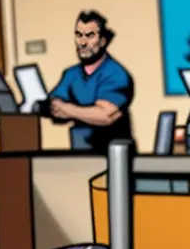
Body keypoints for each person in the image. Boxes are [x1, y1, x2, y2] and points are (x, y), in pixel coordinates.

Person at [47, 11, 134, 152]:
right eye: (79, 35)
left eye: (90, 35)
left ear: (103, 41)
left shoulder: (116, 74)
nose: (82, 42)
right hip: (81, 155)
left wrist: (68, 110)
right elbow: (54, 105)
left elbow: (106, 115)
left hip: (113, 157)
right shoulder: (71, 74)